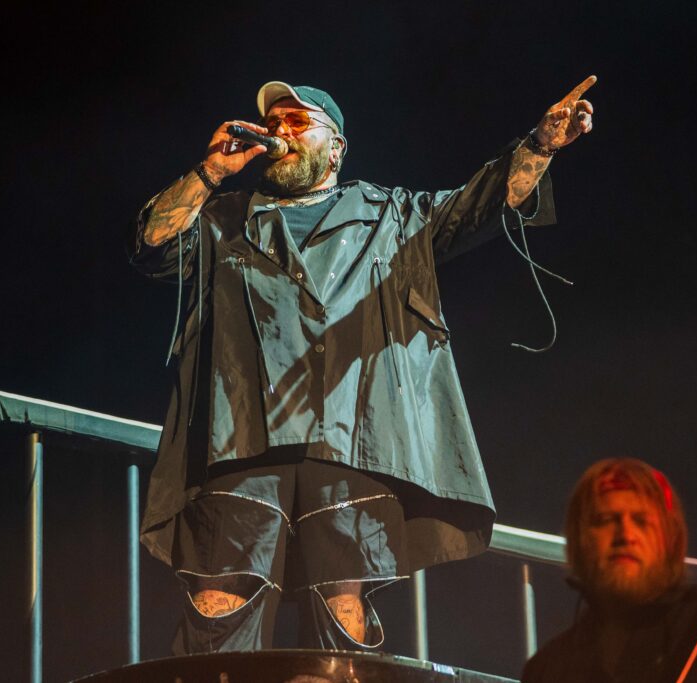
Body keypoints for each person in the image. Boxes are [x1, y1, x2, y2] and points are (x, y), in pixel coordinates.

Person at [129, 78, 595, 654]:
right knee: (221, 598)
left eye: (297, 121)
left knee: (340, 607)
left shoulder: (392, 215)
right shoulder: (224, 217)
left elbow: (479, 205)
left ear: (336, 147)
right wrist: (210, 172)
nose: (279, 131)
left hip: (352, 438)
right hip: (240, 435)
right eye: (273, 122)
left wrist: (540, 145)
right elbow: (151, 245)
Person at [520, 458, 697, 682]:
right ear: (579, 541)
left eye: (641, 521)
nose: (626, 535)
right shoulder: (547, 669)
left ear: (671, 540)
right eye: (606, 520)